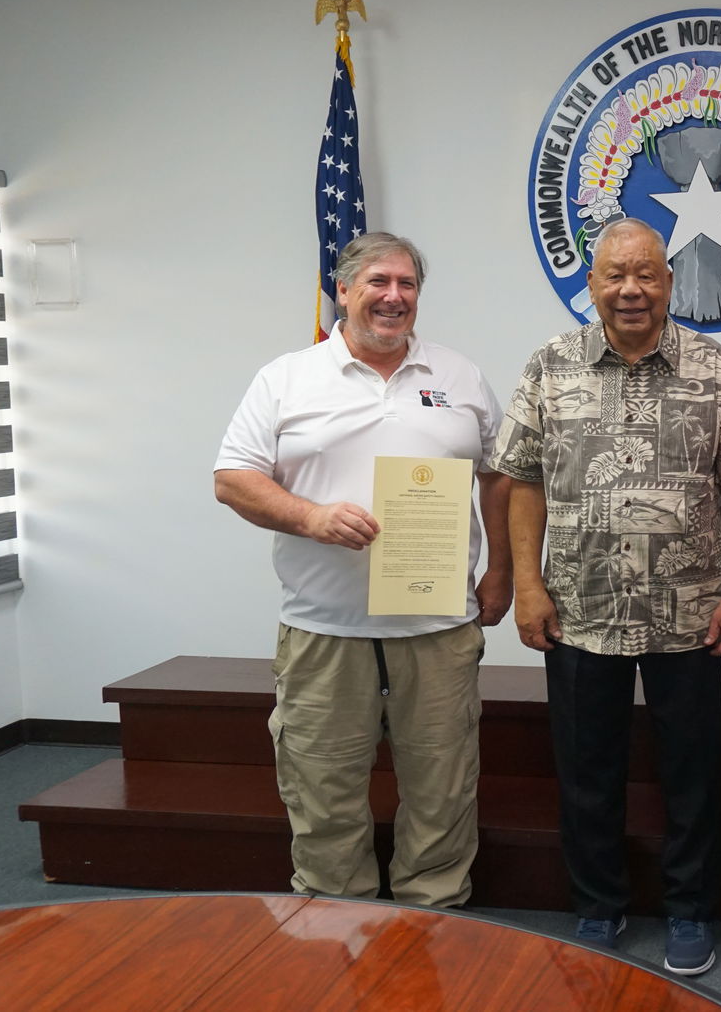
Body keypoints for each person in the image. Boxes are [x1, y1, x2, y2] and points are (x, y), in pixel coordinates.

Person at [490, 217, 721, 976]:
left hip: (690, 613)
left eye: (646, 273)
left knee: (693, 771)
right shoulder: (551, 366)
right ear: (592, 284)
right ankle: (599, 906)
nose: (631, 289)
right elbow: (523, 484)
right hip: (579, 608)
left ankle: (689, 912)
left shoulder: (714, 368)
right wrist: (528, 586)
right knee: (586, 770)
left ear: (671, 283)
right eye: (615, 274)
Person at [214, 231, 511, 909]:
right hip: (324, 630)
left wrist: (503, 570)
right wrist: (311, 518)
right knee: (323, 790)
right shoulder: (286, 377)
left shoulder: (459, 376)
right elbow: (233, 480)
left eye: (407, 285)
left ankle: (431, 920)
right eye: (377, 282)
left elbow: (500, 477)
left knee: (443, 787)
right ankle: (333, 927)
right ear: (342, 290)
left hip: (437, 627)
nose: (393, 297)